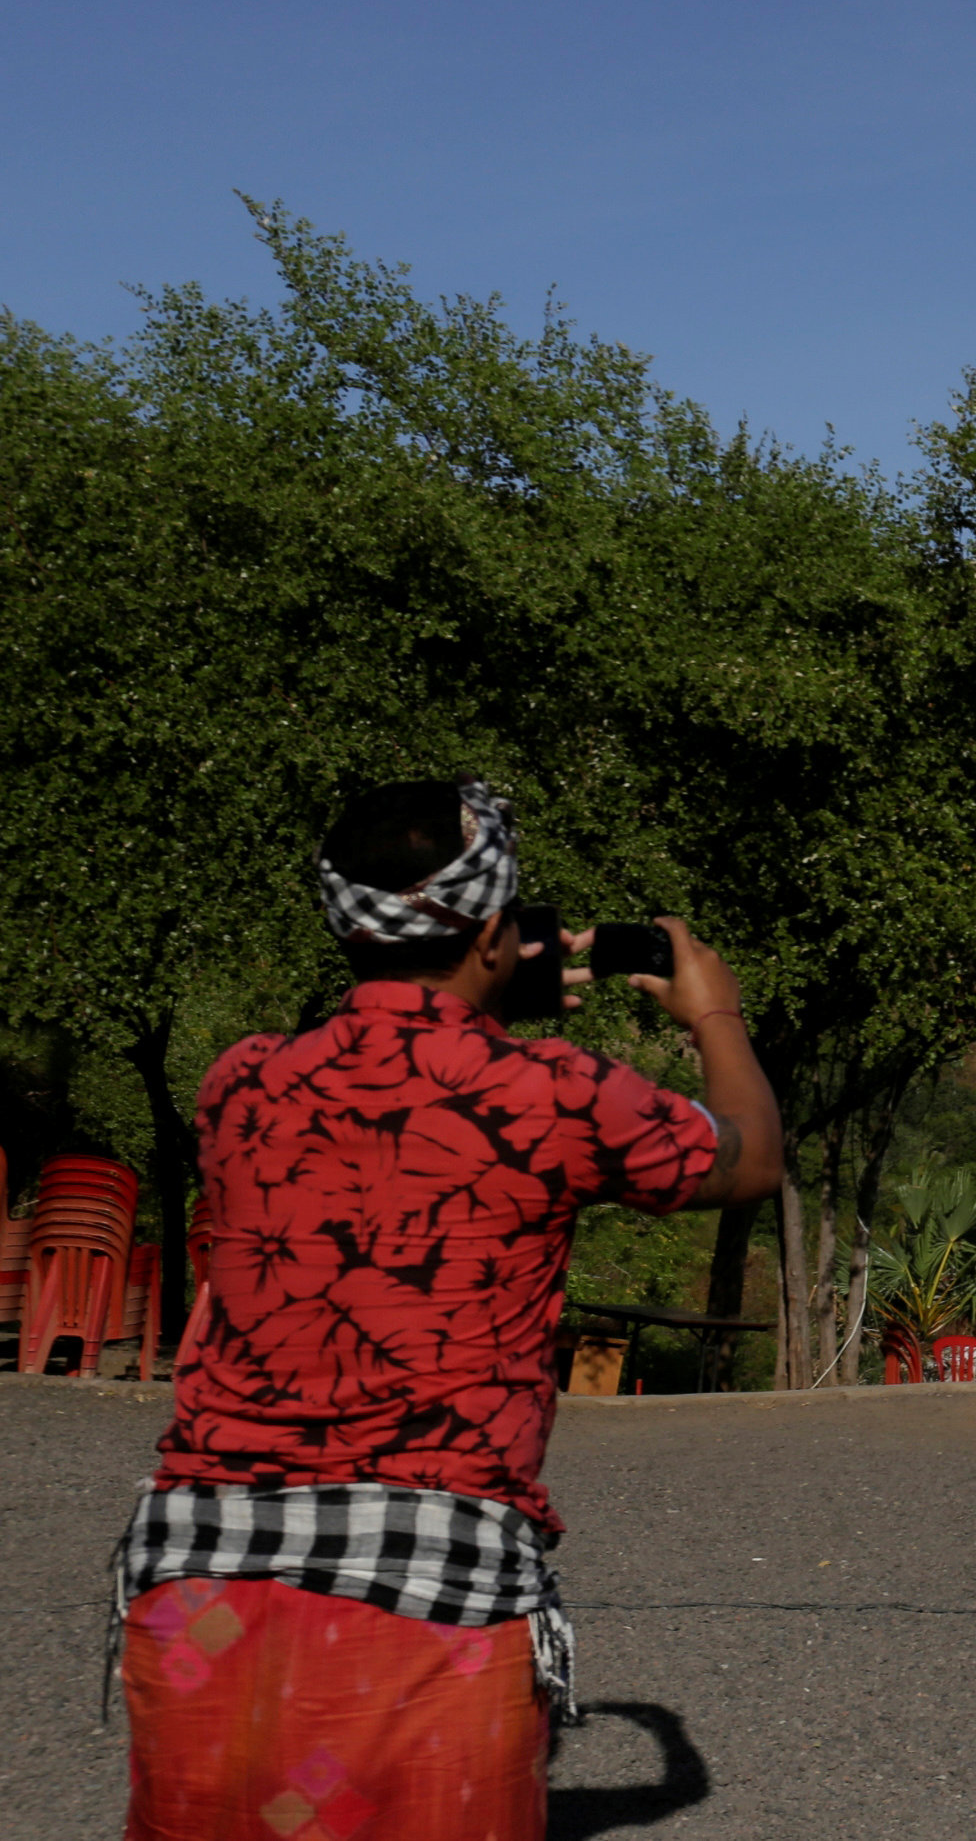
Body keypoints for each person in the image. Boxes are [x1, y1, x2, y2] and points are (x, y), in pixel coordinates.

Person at [113, 777, 783, 1841]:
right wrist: (713, 1010)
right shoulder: (556, 1091)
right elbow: (748, 1158)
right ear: (490, 933)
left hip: (201, 1592)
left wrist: (476, 998)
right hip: (429, 1598)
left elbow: (399, 1095)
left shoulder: (239, 1082)